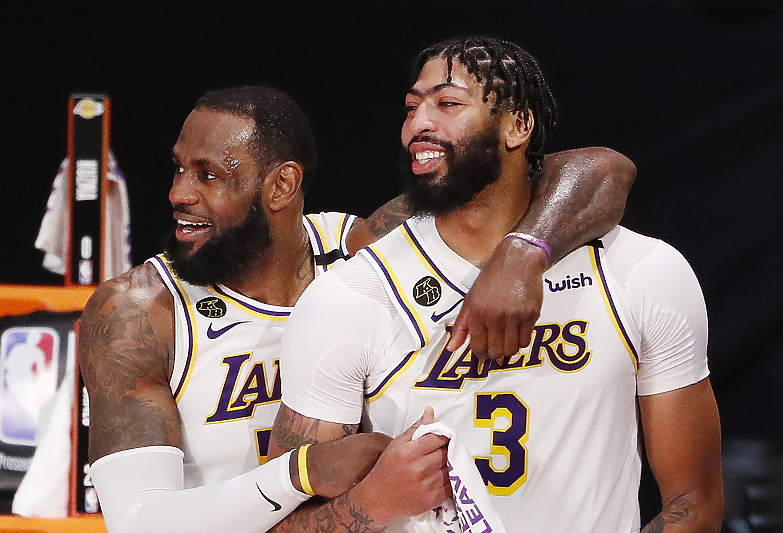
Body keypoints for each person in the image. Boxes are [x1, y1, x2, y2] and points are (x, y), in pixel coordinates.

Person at [79, 84, 635, 533]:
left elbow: (598, 169)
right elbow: (137, 522)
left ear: (282, 187)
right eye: (179, 169)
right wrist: (300, 474)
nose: (179, 193)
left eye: (208, 175)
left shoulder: (361, 251)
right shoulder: (139, 311)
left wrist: (522, 255)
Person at [270, 37, 724, 533]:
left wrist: (521, 258)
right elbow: (281, 522)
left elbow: (693, 503)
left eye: (447, 103)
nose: (418, 123)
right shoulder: (349, 295)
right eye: (411, 107)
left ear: (518, 126)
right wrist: (374, 503)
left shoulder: (640, 270)